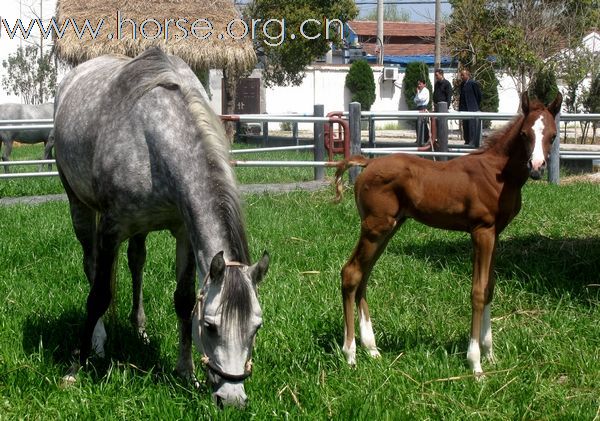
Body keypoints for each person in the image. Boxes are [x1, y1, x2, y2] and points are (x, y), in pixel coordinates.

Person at [459, 69, 482, 146]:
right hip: (464, 109)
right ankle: (467, 140)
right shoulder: (462, 84)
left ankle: (472, 141)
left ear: (467, 75)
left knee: (472, 126)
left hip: (472, 108)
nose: (462, 76)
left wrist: (475, 106)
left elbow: (478, 95)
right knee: (465, 125)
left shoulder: (473, 83)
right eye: (461, 75)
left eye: (463, 75)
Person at [413, 78, 430, 144]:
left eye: (420, 84)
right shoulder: (420, 91)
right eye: (418, 84)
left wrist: (418, 93)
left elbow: (421, 99)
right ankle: (419, 139)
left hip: (423, 107)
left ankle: (425, 139)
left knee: (423, 124)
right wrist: (418, 97)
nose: (419, 85)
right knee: (417, 124)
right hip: (418, 107)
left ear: (424, 84)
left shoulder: (426, 91)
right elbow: (415, 100)